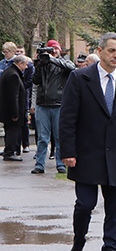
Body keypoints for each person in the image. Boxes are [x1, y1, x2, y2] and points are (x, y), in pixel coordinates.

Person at [59, 32, 116, 251]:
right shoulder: (80, 78)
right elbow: (68, 118)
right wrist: (68, 151)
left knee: (115, 209)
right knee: (85, 204)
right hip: (85, 154)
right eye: (111, 51)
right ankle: (78, 243)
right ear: (101, 50)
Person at [32, 42, 76, 174]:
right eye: (51, 49)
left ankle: (61, 164)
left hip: (59, 104)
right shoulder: (43, 64)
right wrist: (39, 64)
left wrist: (53, 60)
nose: (53, 51)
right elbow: (35, 81)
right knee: (42, 138)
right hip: (43, 104)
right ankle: (39, 164)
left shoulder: (63, 63)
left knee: (59, 137)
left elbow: (72, 68)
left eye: (55, 49)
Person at [0, 55, 29, 161]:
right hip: (12, 111)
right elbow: (14, 96)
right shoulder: (13, 75)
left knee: (9, 130)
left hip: (7, 110)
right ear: (20, 63)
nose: (26, 67)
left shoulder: (9, 72)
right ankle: (9, 152)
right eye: (25, 64)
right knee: (13, 131)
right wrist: (15, 113)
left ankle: (9, 150)